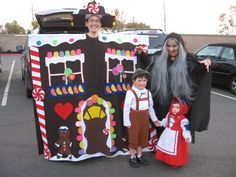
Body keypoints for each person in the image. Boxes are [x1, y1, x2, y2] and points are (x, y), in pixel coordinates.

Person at [150, 32, 212, 141]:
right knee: (163, 128)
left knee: (178, 129)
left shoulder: (188, 60)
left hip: (179, 103)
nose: (171, 49)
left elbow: (199, 68)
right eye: (168, 46)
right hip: (162, 103)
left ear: (180, 46)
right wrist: (140, 54)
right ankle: (163, 149)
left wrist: (207, 62)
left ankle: (176, 152)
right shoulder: (159, 57)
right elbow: (145, 63)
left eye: (174, 46)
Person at [123, 68, 160, 168]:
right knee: (134, 138)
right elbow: (126, 108)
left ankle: (139, 155)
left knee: (143, 138)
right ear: (134, 81)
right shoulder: (130, 92)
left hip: (145, 118)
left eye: (144, 80)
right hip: (134, 119)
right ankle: (132, 157)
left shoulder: (148, 93)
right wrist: (127, 121)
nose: (142, 83)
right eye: (139, 80)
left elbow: (150, 107)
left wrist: (155, 119)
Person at [156, 97, 191, 168]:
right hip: (167, 134)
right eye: (173, 107)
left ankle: (176, 162)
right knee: (166, 146)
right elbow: (165, 121)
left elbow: (186, 130)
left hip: (176, 137)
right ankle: (166, 159)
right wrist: (160, 123)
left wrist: (187, 137)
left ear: (182, 108)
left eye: (177, 107)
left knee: (175, 149)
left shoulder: (183, 120)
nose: (175, 109)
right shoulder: (169, 114)